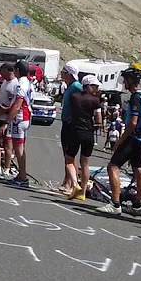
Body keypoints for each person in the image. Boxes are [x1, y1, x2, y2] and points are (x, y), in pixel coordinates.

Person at [98, 67, 141, 216]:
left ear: (130, 81)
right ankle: (138, 205)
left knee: (113, 167)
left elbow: (133, 123)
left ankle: (115, 204)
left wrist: (121, 140)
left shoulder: (135, 97)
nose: (123, 83)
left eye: (125, 80)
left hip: (133, 138)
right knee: (139, 170)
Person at [65, 74, 103, 200]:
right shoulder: (96, 101)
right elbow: (99, 120)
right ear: (90, 86)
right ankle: (83, 191)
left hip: (75, 130)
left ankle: (75, 184)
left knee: (69, 159)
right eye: (95, 86)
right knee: (85, 163)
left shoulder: (74, 97)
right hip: (89, 132)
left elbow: (70, 112)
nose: (97, 89)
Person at [6, 60, 34, 188]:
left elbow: (17, 104)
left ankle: (23, 176)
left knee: (19, 149)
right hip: (25, 117)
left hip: (20, 118)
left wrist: (7, 121)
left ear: (17, 70)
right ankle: (21, 175)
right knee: (20, 148)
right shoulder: (27, 82)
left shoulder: (21, 84)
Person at [58, 65, 85, 194]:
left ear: (68, 73)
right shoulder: (70, 86)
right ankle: (67, 180)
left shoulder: (76, 87)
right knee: (66, 154)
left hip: (71, 124)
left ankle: (70, 184)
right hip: (66, 122)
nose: (61, 74)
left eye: (63, 72)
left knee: (70, 155)